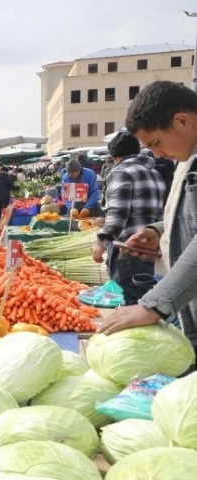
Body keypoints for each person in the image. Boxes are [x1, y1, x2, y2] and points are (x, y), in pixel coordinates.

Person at [98, 80, 197, 355]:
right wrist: (159, 230)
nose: (156, 154)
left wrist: (154, 305)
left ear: (182, 121)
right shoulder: (188, 158)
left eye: (155, 143)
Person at [92, 131, 166, 305]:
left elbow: (118, 213)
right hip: (150, 249)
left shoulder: (121, 172)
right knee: (145, 303)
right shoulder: (154, 173)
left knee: (130, 303)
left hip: (129, 249)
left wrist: (101, 243)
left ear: (113, 155)